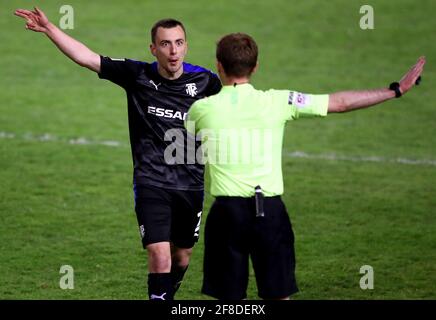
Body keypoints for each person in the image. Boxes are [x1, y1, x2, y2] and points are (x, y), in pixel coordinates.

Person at [186, 32, 425, 300]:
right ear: (255, 67)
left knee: (229, 302)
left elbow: (188, 148)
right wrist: (395, 90)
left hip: (226, 215)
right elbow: (341, 103)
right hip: (270, 211)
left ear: (218, 64)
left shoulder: (201, 109)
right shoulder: (280, 101)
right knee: (278, 295)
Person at [14, 7, 222, 300]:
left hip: (190, 183)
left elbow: (235, 105)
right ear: (153, 48)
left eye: (178, 43)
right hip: (151, 181)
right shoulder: (137, 74)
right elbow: (86, 57)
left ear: (186, 45)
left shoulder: (207, 81)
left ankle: (166, 293)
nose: (173, 51)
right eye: (165, 44)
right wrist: (51, 29)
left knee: (182, 256)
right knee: (158, 254)